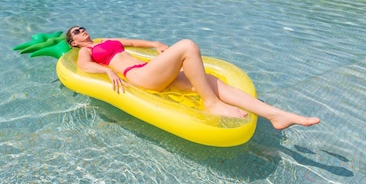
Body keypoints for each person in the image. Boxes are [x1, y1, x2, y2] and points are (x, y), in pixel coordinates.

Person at [65, 26, 320, 130]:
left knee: (209, 79)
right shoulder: (86, 51)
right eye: (77, 32)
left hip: (149, 68)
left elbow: (132, 42)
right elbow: (85, 69)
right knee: (187, 45)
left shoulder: (106, 41)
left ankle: (277, 115)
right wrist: (107, 70)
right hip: (138, 76)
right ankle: (211, 103)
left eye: (82, 27)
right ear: (73, 42)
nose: (82, 31)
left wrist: (156, 44)